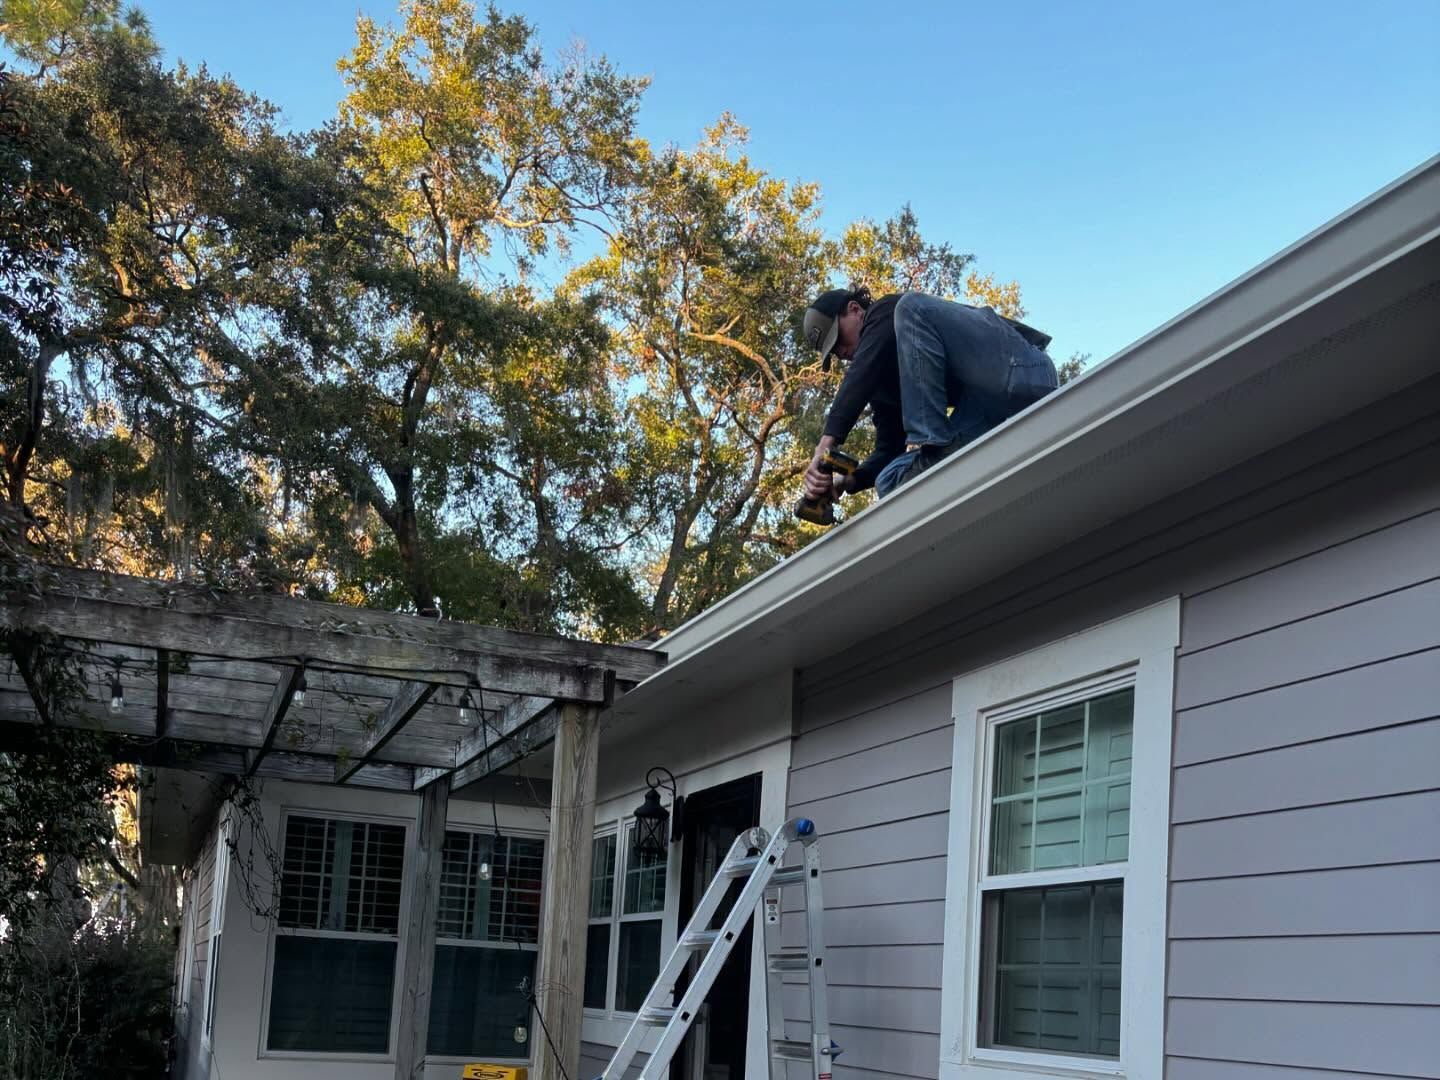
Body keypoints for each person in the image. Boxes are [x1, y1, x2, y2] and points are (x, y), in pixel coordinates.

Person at [801, 286, 1059, 504]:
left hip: (1021, 370)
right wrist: (849, 481)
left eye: (838, 340)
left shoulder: (886, 312)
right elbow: (889, 447)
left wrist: (825, 444)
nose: (841, 352)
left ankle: (933, 443)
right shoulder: (882, 382)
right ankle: (939, 456)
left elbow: (862, 370)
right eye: (833, 352)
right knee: (890, 481)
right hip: (987, 409)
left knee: (911, 306)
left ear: (856, 310)